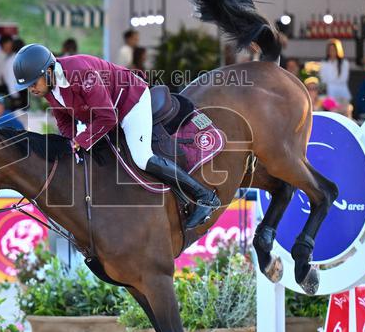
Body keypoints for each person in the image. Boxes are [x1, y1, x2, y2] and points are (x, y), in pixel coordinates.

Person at [12, 43, 220, 228]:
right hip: (105, 110)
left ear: (49, 71)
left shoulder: (81, 73)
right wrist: (71, 142)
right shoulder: (49, 87)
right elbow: (64, 121)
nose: (31, 89)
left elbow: (107, 117)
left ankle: (204, 196)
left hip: (130, 101)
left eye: (33, 83)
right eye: (28, 86)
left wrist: (81, 140)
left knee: (141, 158)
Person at [319, 39, 351, 109]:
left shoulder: (345, 63)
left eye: (333, 50)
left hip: (343, 94)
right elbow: (323, 79)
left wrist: (331, 81)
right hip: (329, 94)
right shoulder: (324, 63)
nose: (332, 52)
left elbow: (343, 79)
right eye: (330, 50)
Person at [2, 38, 26, 109]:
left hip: (18, 92)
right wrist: (15, 96)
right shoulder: (13, 60)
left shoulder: (15, 59)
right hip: (16, 93)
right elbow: (10, 79)